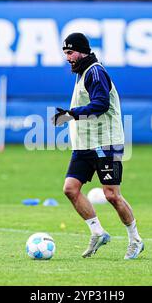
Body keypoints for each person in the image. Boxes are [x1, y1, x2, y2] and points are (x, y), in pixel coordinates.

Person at [52, 33, 144, 259]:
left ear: (82, 51)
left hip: (106, 143)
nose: (67, 58)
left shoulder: (95, 71)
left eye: (70, 53)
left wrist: (71, 114)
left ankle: (135, 239)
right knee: (70, 189)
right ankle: (98, 232)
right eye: (65, 53)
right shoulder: (83, 72)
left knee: (112, 195)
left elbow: (101, 104)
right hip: (85, 144)